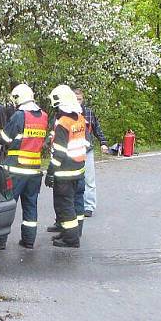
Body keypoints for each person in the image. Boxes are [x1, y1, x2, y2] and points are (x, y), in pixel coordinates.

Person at [0, 84, 48, 250]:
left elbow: (6, 138)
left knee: (8, 204)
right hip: (35, 170)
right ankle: (29, 241)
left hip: (16, 169)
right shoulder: (43, 116)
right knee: (30, 205)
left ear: (17, 98)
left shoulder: (19, 116)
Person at [45, 85, 87, 248]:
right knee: (73, 203)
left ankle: (71, 239)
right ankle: (69, 233)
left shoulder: (63, 122)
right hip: (78, 169)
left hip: (65, 172)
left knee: (65, 205)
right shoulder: (79, 118)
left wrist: (50, 172)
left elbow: (60, 153)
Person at [75, 89, 108, 217]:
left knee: (89, 180)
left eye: (80, 99)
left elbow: (97, 129)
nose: (77, 101)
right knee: (75, 180)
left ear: (83, 99)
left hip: (87, 151)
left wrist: (103, 142)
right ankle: (77, 205)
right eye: (75, 99)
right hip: (73, 153)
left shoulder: (88, 113)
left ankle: (89, 206)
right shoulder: (68, 114)